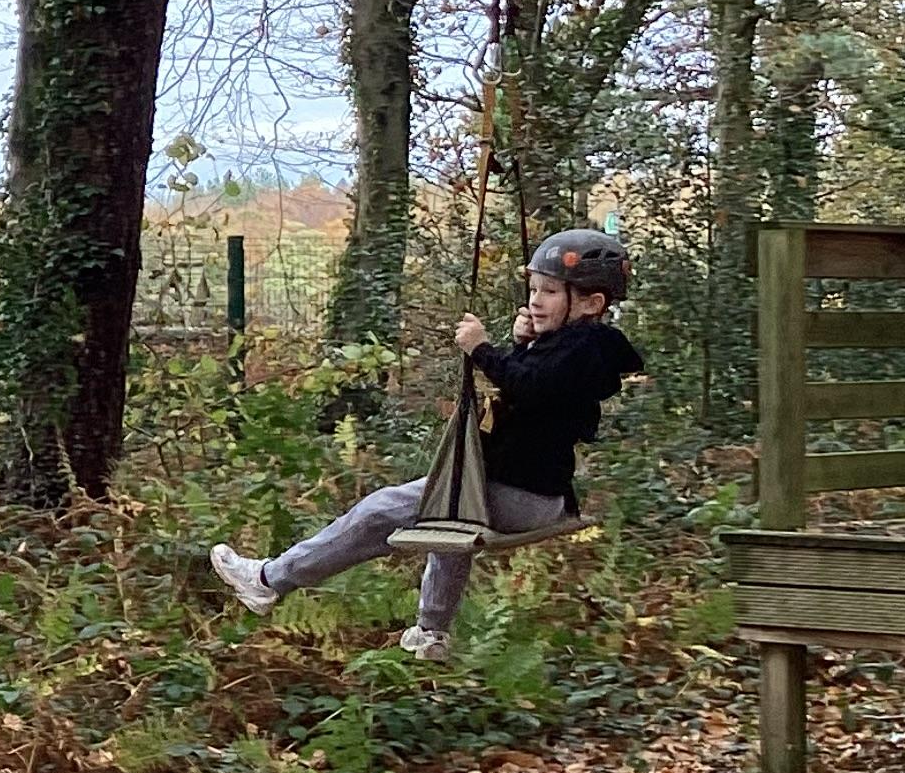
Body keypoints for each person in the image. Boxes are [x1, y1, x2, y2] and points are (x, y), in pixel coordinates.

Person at [208, 230, 645, 663]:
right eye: (533, 289)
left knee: (381, 511)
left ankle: (268, 580)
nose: (535, 300)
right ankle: (431, 632)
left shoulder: (582, 348)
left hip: (519, 495)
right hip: (529, 494)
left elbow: (529, 388)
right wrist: (523, 344)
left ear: (591, 304)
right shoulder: (577, 347)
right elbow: (538, 388)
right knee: (448, 516)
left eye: (549, 291)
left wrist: (482, 349)